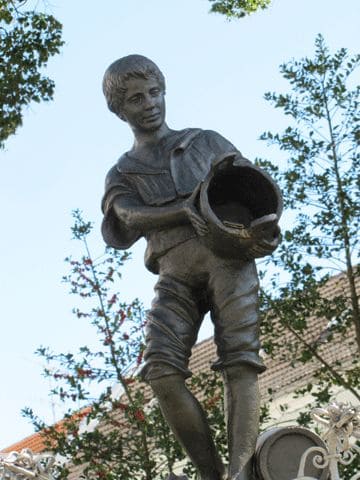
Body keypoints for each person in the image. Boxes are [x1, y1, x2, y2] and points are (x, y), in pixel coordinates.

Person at [101, 54, 281, 480]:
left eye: (154, 92)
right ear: (119, 110)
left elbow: (253, 192)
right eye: (135, 99)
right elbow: (128, 217)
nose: (148, 103)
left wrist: (263, 230)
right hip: (174, 272)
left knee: (241, 359)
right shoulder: (123, 171)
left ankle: (241, 471)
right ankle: (210, 474)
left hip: (227, 259)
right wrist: (186, 209)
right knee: (161, 372)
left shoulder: (206, 142)